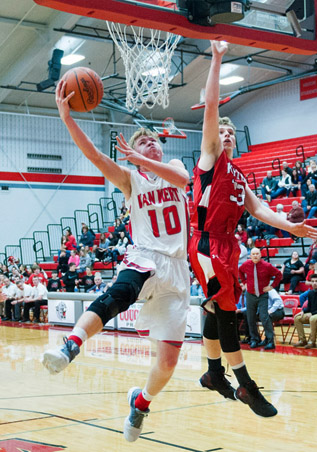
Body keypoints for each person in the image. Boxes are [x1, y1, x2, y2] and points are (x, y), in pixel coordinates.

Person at [42, 78, 190, 443]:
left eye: (153, 140)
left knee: (168, 362)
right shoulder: (129, 180)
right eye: (142, 142)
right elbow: (94, 155)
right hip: (144, 256)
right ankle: (69, 346)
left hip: (177, 271)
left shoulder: (173, 167)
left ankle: (140, 403)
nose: (150, 143)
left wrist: (140, 154)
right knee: (121, 292)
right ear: (133, 153)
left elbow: (184, 180)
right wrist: (66, 117)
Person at [188, 40, 317, 418]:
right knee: (226, 311)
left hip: (229, 245)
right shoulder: (210, 157)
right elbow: (212, 106)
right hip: (206, 242)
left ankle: (214, 373)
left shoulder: (240, 175)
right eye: (222, 133)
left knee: (217, 309)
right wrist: (216, 58)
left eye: (231, 134)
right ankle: (245, 384)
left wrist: (290, 229)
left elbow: (259, 208)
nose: (226, 136)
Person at [239, 248, 282, 350]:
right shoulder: (246, 264)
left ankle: (270, 341)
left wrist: (272, 286)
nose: (255, 256)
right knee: (250, 317)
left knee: (264, 317)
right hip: (250, 294)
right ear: (250, 255)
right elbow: (239, 271)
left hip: (262, 295)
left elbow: (279, 275)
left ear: (260, 255)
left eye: (257, 254)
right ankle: (254, 339)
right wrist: (245, 282)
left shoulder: (267, 266)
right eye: (253, 254)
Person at [293, 274, 317, 349]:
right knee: (297, 318)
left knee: (312, 319)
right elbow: (309, 307)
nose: (314, 283)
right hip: (312, 313)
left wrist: (312, 313)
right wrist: (303, 311)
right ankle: (302, 340)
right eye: (312, 281)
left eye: (316, 281)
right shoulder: (310, 293)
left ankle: (312, 341)